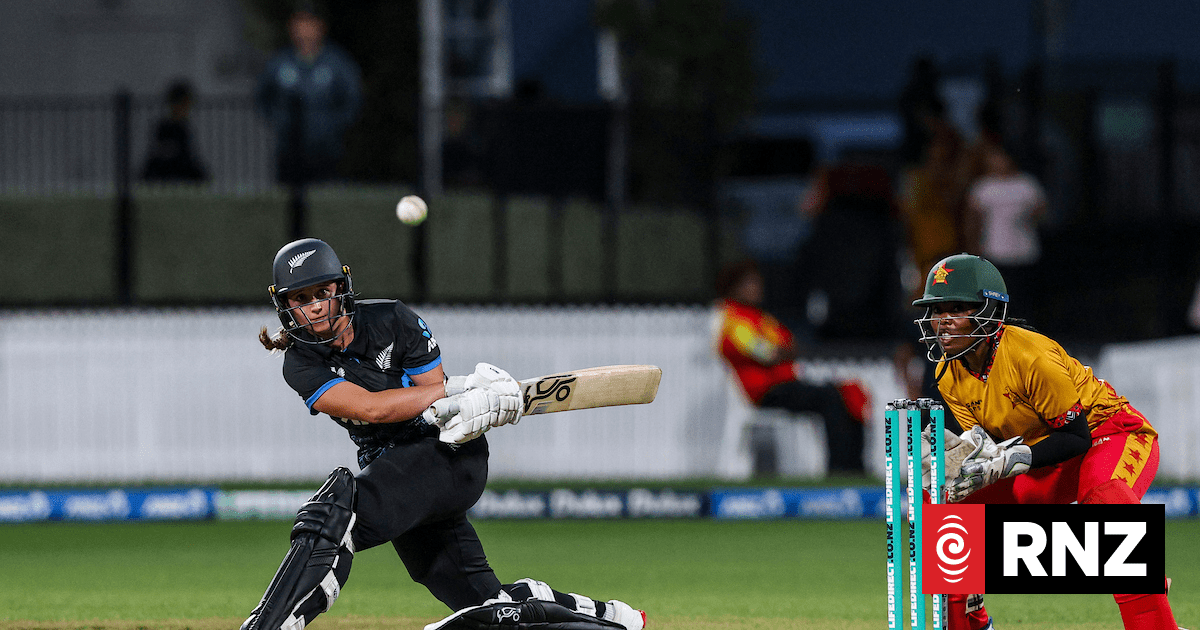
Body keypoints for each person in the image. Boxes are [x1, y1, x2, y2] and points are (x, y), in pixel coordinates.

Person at [242, 238, 645, 630]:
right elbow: (370, 407)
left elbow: (435, 410)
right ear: (285, 307)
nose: (314, 307)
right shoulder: (299, 364)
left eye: (322, 292)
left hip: (448, 458)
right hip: (397, 475)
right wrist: (460, 387)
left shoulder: (393, 320)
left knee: (335, 511)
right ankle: (606, 618)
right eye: (301, 299)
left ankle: (269, 625)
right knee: (489, 609)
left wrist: (473, 406)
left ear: (341, 289)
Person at [913, 253, 1179, 630]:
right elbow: (990, 446)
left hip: (1109, 435)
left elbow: (1075, 437)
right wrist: (962, 461)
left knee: (1105, 499)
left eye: (956, 308)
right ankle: (971, 621)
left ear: (990, 311)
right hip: (1045, 459)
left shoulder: (1030, 356)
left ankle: (1152, 617)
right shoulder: (947, 374)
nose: (942, 321)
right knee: (945, 499)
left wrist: (1007, 460)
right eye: (937, 310)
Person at [715, 259, 869, 475]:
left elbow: (789, 346)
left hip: (785, 384)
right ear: (735, 288)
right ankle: (840, 469)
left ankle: (857, 467)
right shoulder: (735, 320)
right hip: (766, 392)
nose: (757, 288)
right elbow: (768, 354)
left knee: (848, 391)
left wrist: (781, 351)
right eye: (750, 283)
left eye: (757, 282)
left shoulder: (761, 318)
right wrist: (781, 352)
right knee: (829, 398)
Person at [254, 3, 363, 184]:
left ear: (320, 27)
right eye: (298, 23)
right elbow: (262, 96)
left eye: (308, 23)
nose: (303, 30)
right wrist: (279, 120)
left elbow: (352, 98)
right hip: (288, 147)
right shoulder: (280, 61)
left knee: (325, 198)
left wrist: (332, 126)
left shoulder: (336, 62)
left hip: (327, 149)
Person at [963, 142, 1047, 315]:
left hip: (1025, 252)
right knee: (997, 299)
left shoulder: (1027, 184)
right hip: (995, 252)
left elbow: (1042, 213)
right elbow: (972, 220)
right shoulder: (983, 187)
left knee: (1024, 298)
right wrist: (974, 248)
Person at [141, 80, 208, 182]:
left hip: (179, 168)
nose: (187, 109)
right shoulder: (165, 127)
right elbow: (164, 152)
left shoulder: (183, 126)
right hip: (167, 169)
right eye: (185, 104)